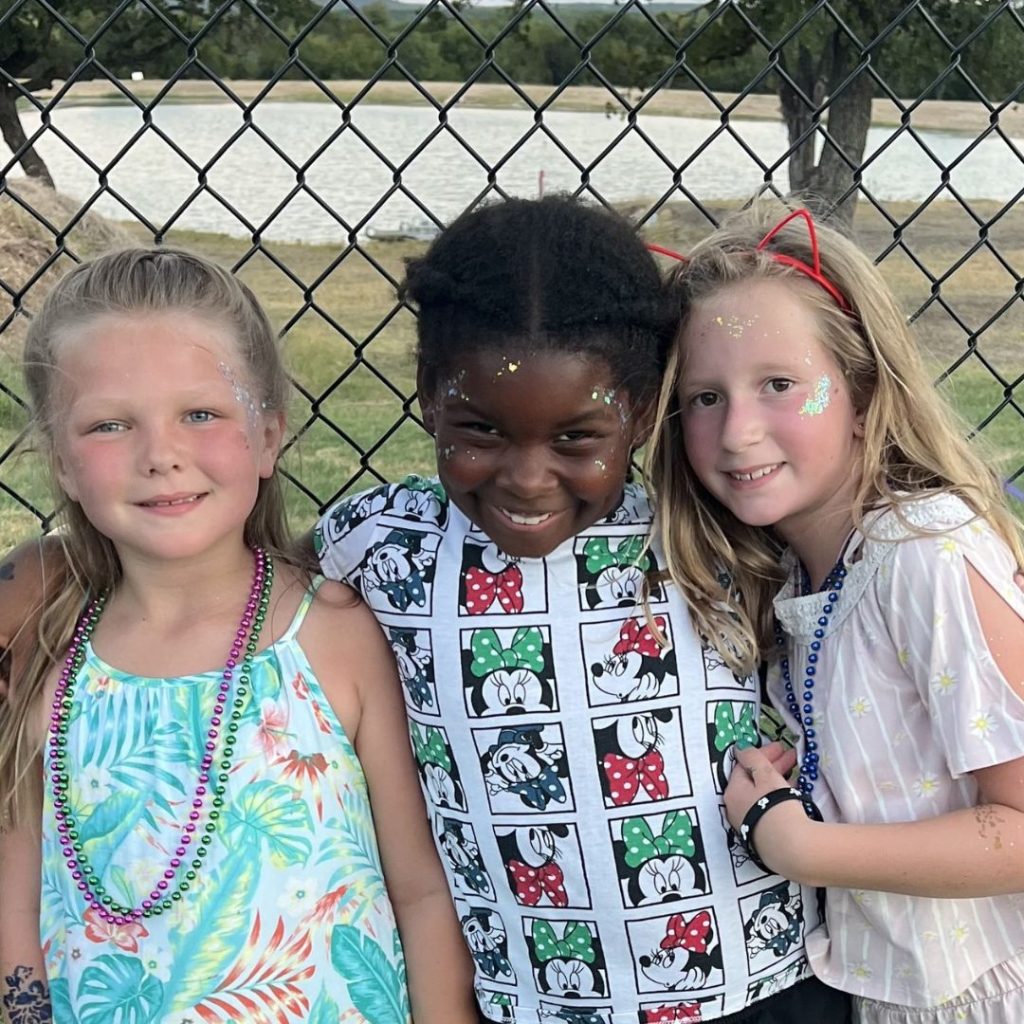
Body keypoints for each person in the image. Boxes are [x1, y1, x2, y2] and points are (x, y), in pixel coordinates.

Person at [311, 195, 852, 1023]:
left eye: (574, 439)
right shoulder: (380, 544)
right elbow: (234, 584)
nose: (528, 478)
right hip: (531, 1003)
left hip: (756, 991)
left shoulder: (709, 530)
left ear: (638, 411)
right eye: (480, 430)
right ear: (428, 396)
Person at [0, 249, 475, 1024]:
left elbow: (420, 889)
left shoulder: (332, 634)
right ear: (62, 462)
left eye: (200, 413)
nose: (161, 455)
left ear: (268, 434)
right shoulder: (48, 654)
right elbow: (15, 904)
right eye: (110, 425)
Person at [647, 201, 1024, 1023]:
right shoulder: (797, 573)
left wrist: (801, 845)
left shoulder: (924, 554)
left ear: (860, 388)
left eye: (779, 385)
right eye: (706, 397)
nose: (739, 431)